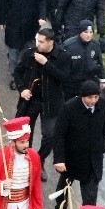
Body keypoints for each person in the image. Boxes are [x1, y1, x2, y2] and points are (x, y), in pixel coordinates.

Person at [13, 27, 69, 180]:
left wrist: (46, 64)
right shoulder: (29, 53)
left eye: (42, 41)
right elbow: (17, 72)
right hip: (31, 101)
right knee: (25, 133)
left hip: (51, 102)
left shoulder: (63, 57)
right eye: (37, 40)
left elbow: (64, 78)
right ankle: (27, 161)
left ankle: (39, 159)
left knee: (50, 135)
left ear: (51, 42)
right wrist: (22, 89)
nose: (38, 44)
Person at [51, 80, 105, 209]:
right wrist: (59, 159)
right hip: (72, 157)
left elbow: (103, 128)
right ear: (82, 96)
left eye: (96, 97)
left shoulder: (103, 105)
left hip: (93, 158)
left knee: (90, 194)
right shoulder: (69, 108)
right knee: (65, 187)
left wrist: (101, 148)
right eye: (90, 97)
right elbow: (59, 134)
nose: (93, 100)